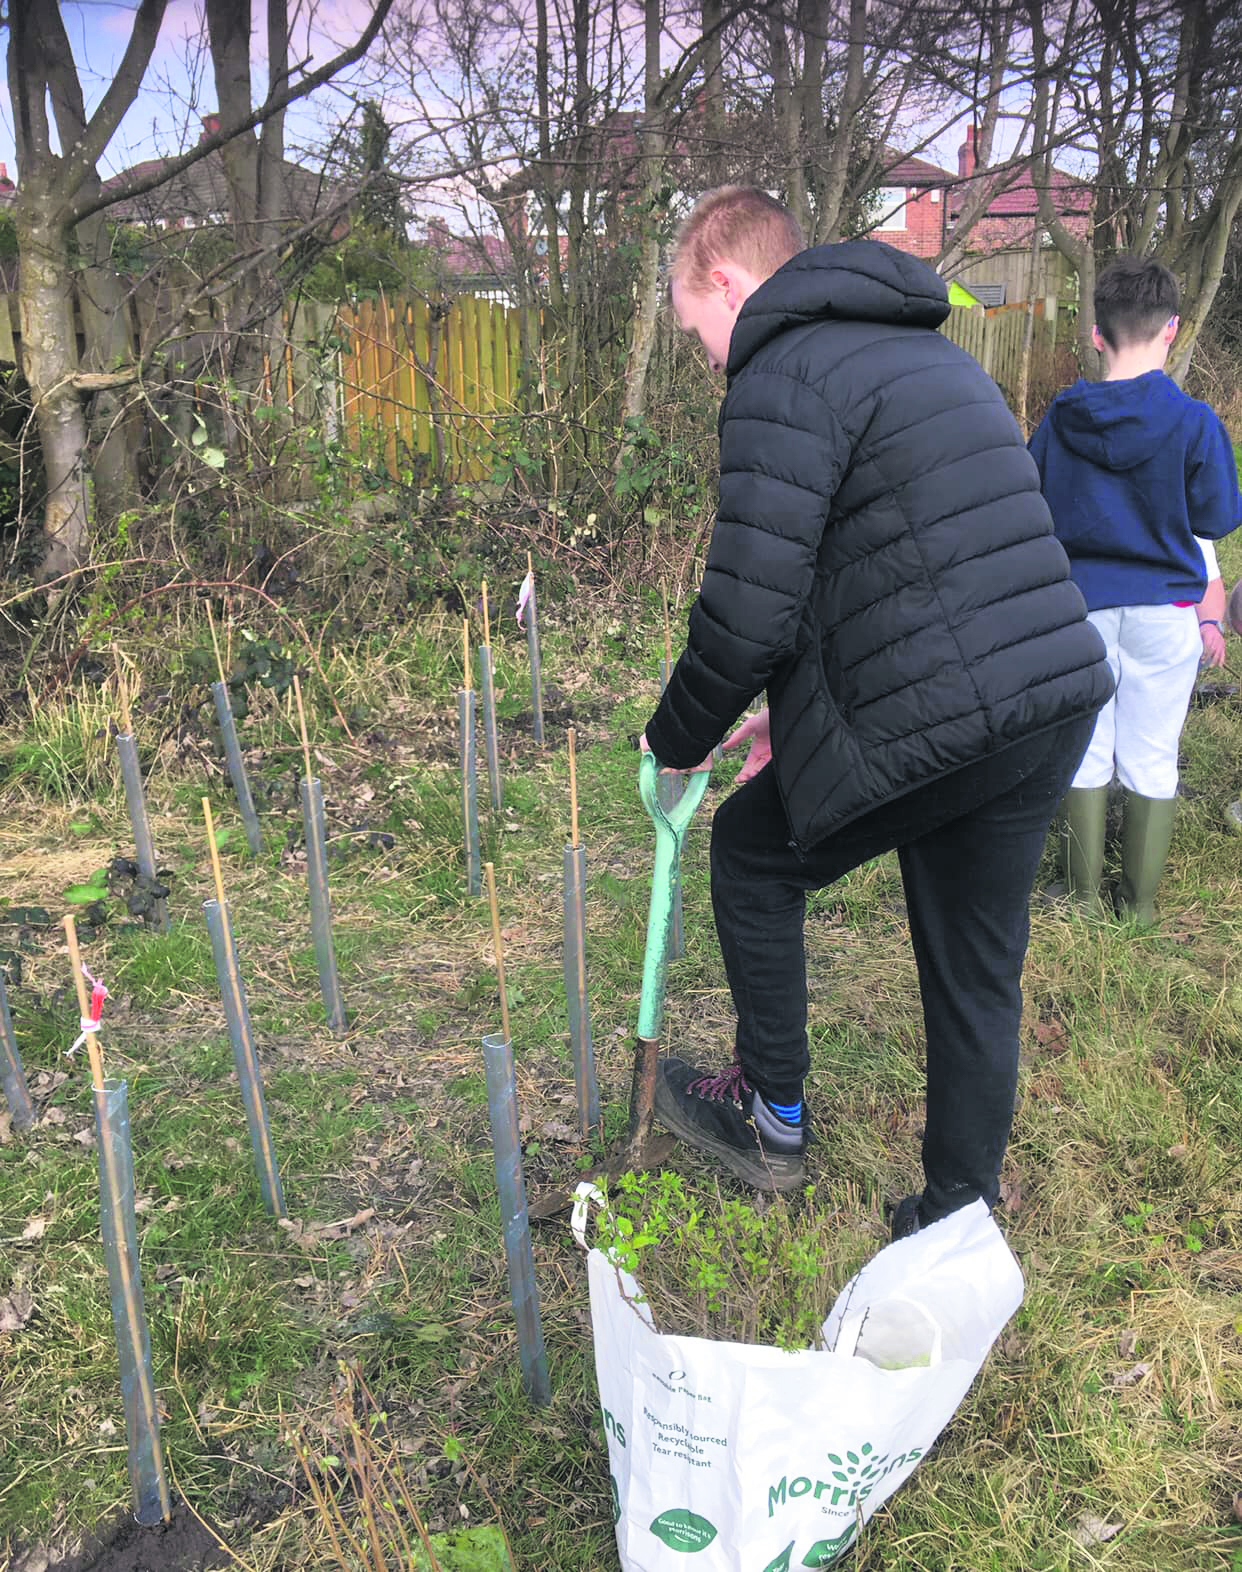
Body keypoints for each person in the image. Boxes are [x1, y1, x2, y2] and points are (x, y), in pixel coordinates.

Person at [639, 186, 1112, 1234]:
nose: (706, 358)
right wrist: (790, 718)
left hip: (952, 713)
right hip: (1047, 697)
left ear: (726, 281)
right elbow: (889, 567)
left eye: (694, 329)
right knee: (975, 965)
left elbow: (749, 611)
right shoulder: (931, 356)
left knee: (751, 855)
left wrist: (675, 738)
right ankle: (956, 1216)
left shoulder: (778, 372)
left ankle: (770, 1117)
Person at [1029, 258, 1242, 921]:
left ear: (1097, 334)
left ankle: (1081, 895)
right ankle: (1139, 906)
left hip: (1080, 611)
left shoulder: (1060, 418)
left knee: (1085, 746)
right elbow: (1217, 518)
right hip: (1165, 613)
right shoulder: (1195, 422)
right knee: (1152, 753)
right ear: (1171, 329)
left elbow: (1033, 509)